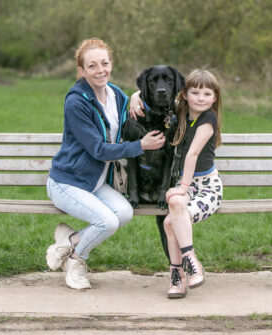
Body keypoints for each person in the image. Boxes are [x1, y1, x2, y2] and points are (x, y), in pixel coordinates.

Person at [46, 38, 166, 290]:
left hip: (95, 181)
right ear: (81, 71)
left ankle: (68, 241)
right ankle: (77, 261)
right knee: (107, 222)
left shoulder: (116, 95)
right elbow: (99, 150)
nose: (100, 70)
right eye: (92, 66)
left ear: (111, 64)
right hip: (67, 181)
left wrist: (135, 95)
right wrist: (140, 146)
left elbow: (134, 105)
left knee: (124, 213)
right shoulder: (77, 102)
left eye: (105, 63)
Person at [131, 69, 223, 298]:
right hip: (189, 187)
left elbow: (191, 155)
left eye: (207, 94)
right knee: (173, 205)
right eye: (195, 93)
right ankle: (184, 271)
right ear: (184, 95)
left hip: (206, 188)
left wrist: (182, 186)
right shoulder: (181, 113)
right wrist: (135, 95)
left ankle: (184, 268)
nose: (201, 99)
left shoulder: (207, 119)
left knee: (172, 220)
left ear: (215, 98)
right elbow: (154, 92)